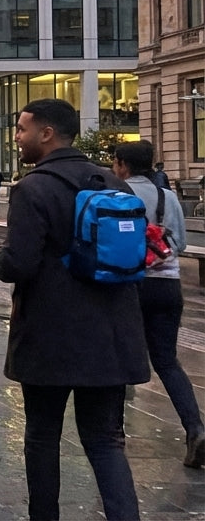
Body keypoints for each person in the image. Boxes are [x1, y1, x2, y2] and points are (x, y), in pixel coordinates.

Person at [0, 98, 148, 521]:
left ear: (46, 133)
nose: (17, 137)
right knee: (106, 441)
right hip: (112, 335)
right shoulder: (115, 182)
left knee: (42, 436)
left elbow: (19, 263)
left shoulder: (34, 188)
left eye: (22, 129)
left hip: (50, 336)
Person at [113, 141, 202, 468]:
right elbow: (178, 242)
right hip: (167, 285)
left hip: (128, 285)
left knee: (120, 357)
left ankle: (114, 434)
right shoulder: (168, 197)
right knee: (166, 361)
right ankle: (195, 428)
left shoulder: (117, 193)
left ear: (122, 164)